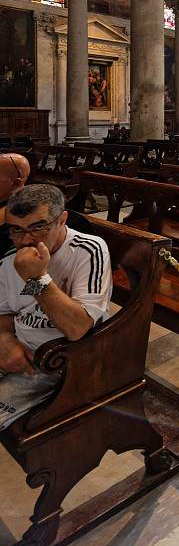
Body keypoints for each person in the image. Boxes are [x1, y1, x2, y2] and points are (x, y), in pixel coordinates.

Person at [0, 184, 112, 430]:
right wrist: (5, 338)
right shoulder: (10, 258)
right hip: (19, 348)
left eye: (38, 227)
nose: (26, 240)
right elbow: (5, 312)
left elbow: (78, 328)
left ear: (62, 219)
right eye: (16, 230)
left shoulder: (89, 250)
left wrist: (37, 278)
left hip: (60, 359)